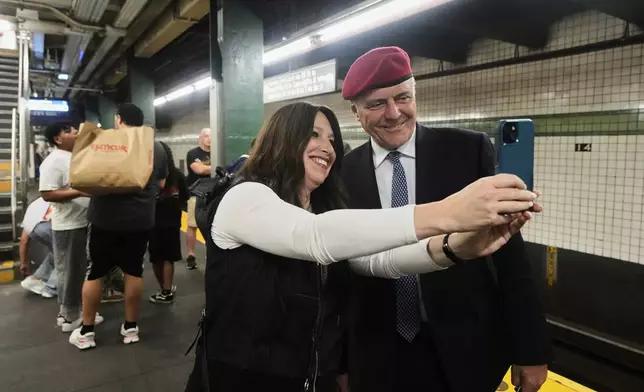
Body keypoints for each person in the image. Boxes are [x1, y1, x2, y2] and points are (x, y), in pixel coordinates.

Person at [184, 101, 541, 392]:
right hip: (243, 378)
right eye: (313, 134)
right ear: (282, 138)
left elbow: (376, 262)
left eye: (331, 139)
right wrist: (450, 212)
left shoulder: (321, 208)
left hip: (309, 379)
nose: (327, 147)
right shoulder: (245, 197)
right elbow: (314, 237)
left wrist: (457, 247)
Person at [339, 46, 549, 392]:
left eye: (403, 97)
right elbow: (340, 282)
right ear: (356, 112)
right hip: (376, 353)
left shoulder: (467, 152)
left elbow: (510, 257)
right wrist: (341, 363)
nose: (394, 113)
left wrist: (531, 348)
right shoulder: (342, 174)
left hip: (466, 347)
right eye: (377, 104)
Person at [69, 103, 168, 350]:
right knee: (134, 270)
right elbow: (162, 182)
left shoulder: (103, 142)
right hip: (140, 220)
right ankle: (131, 328)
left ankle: (87, 330)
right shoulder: (155, 146)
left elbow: (86, 178)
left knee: (96, 272)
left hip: (104, 218)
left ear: (119, 119)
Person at [39, 123, 103, 332]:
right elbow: (48, 193)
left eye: (75, 130)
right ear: (58, 139)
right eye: (69, 131)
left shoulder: (72, 157)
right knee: (69, 271)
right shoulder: (54, 161)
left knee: (78, 269)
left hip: (81, 221)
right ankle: (68, 317)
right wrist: (81, 193)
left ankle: (73, 311)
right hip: (68, 225)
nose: (76, 133)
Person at [149, 141, 189, 304]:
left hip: (152, 220)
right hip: (172, 221)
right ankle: (167, 289)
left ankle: (163, 289)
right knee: (168, 257)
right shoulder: (177, 174)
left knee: (156, 257)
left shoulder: (148, 175)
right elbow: (185, 196)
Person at [19, 197, 57, 298]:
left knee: (55, 253)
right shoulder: (56, 198)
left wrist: (24, 263)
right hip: (48, 225)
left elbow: (24, 240)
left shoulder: (35, 204)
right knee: (66, 255)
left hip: (33, 230)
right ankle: (51, 288)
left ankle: (36, 279)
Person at [185, 128, 211, 269]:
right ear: (200, 138)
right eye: (206, 136)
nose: (209, 139)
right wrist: (214, 167)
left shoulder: (217, 151)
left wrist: (206, 167)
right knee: (192, 225)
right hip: (195, 194)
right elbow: (198, 170)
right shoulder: (193, 153)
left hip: (212, 194)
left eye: (211, 136)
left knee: (210, 225)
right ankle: (191, 254)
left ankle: (210, 253)